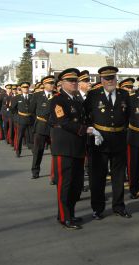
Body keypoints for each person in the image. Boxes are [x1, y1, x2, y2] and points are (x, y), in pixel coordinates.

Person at [84, 66, 131, 220]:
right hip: (99, 141)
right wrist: (91, 130)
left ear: (116, 79)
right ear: (101, 80)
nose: (110, 81)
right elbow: (85, 116)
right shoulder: (93, 95)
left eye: (112, 78)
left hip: (119, 140)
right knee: (98, 176)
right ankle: (97, 208)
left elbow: (129, 116)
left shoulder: (124, 94)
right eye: (106, 78)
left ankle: (119, 206)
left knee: (118, 177)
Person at [49, 68, 88, 229]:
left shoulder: (77, 100)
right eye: (70, 81)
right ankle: (64, 217)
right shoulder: (58, 100)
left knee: (76, 184)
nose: (74, 83)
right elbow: (63, 121)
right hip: (64, 148)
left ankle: (70, 213)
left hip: (78, 147)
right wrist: (85, 129)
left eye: (75, 80)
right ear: (62, 83)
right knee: (65, 184)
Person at [29, 76, 55, 179]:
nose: (52, 85)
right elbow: (31, 111)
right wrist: (38, 121)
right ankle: (35, 171)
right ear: (44, 85)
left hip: (53, 127)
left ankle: (54, 175)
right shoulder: (37, 95)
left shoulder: (57, 96)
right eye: (49, 83)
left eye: (53, 83)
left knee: (55, 152)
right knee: (38, 151)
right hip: (41, 126)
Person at [10, 82, 34, 157]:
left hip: (30, 119)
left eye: (27, 87)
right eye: (24, 87)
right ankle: (18, 151)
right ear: (21, 88)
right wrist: (17, 118)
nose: (25, 89)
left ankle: (33, 150)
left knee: (31, 135)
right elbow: (12, 109)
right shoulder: (17, 97)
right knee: (19, 136)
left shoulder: (32, 96)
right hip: (21, 119)